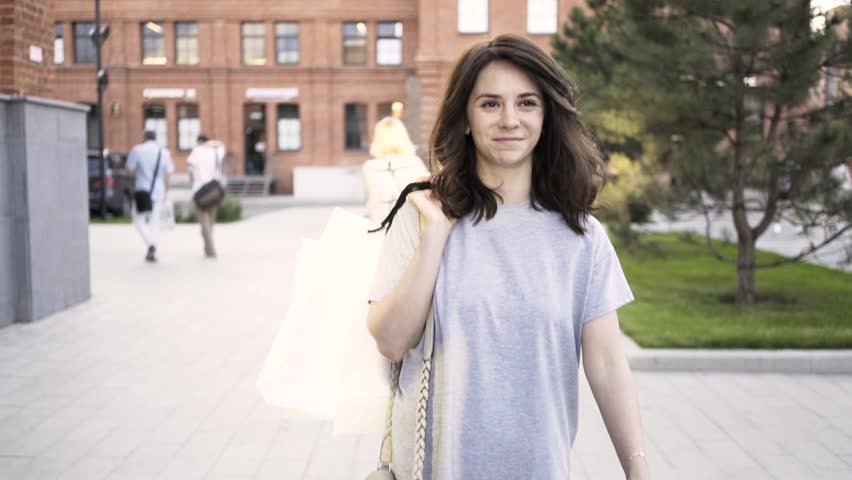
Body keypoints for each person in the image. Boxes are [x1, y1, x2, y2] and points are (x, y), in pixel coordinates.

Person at [365, 34, 649, 479]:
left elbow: (607, 361)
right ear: (465, 118)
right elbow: (390, 341)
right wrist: (437, 236)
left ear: (547, 115)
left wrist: (638, 469)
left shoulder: (581, 236)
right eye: (490, 104)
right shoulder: (421, 217)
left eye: (527, 103)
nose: (510, 119)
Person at [362, 117, 431, 222]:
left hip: (384, 223)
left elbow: (374, 203)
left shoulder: (370, 167)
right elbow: (427, 195)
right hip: (413, 223)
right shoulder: (414, 162)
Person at [127, 130, 174, 263]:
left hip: (142, 189)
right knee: (155, 221)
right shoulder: (164, 152)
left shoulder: (137, 150)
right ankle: (152, 245)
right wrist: (167, 191)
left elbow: (130, 169)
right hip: (159, 190)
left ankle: (150, 244)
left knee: (138, 220)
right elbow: (168, 174)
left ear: (144, 137)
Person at [187, 134, 225, 258]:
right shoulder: (216, 152)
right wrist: (211, 143)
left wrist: (192, 180)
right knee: (211, 221)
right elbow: (221, 144)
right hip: (214, 190)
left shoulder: (196, 151)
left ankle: (211, 250)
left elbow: (189, 169)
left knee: (204, 222)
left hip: (200, 191)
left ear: (198, 142)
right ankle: (207, 248)